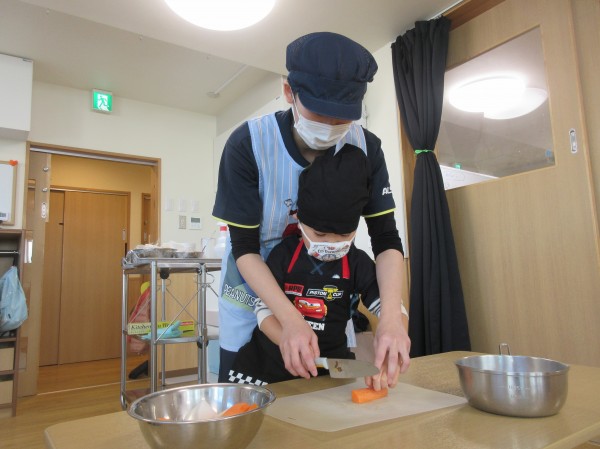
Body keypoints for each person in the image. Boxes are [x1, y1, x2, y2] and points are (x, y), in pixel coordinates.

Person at [212, 31, 410, 390]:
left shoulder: (367, 149)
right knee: (245, 395)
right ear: (290, 92)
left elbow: (386, 239)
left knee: (320, 393)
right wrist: (288, 318)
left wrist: (393, 319)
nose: (331, 128)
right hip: (256, 279)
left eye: (342, 118)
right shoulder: (248, 145)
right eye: (320, 113)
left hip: (323, 288)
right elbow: (244, 247)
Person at [228, 145, 409, 386]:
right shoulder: (284, 255)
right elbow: (263, 312)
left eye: (344, 235)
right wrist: (290, 342)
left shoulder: (357, 263)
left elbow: (392, 308)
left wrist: (393, 332)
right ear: (298, 218)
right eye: (320, 234)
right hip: (267, 368)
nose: (331, 245)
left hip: (329, 370)